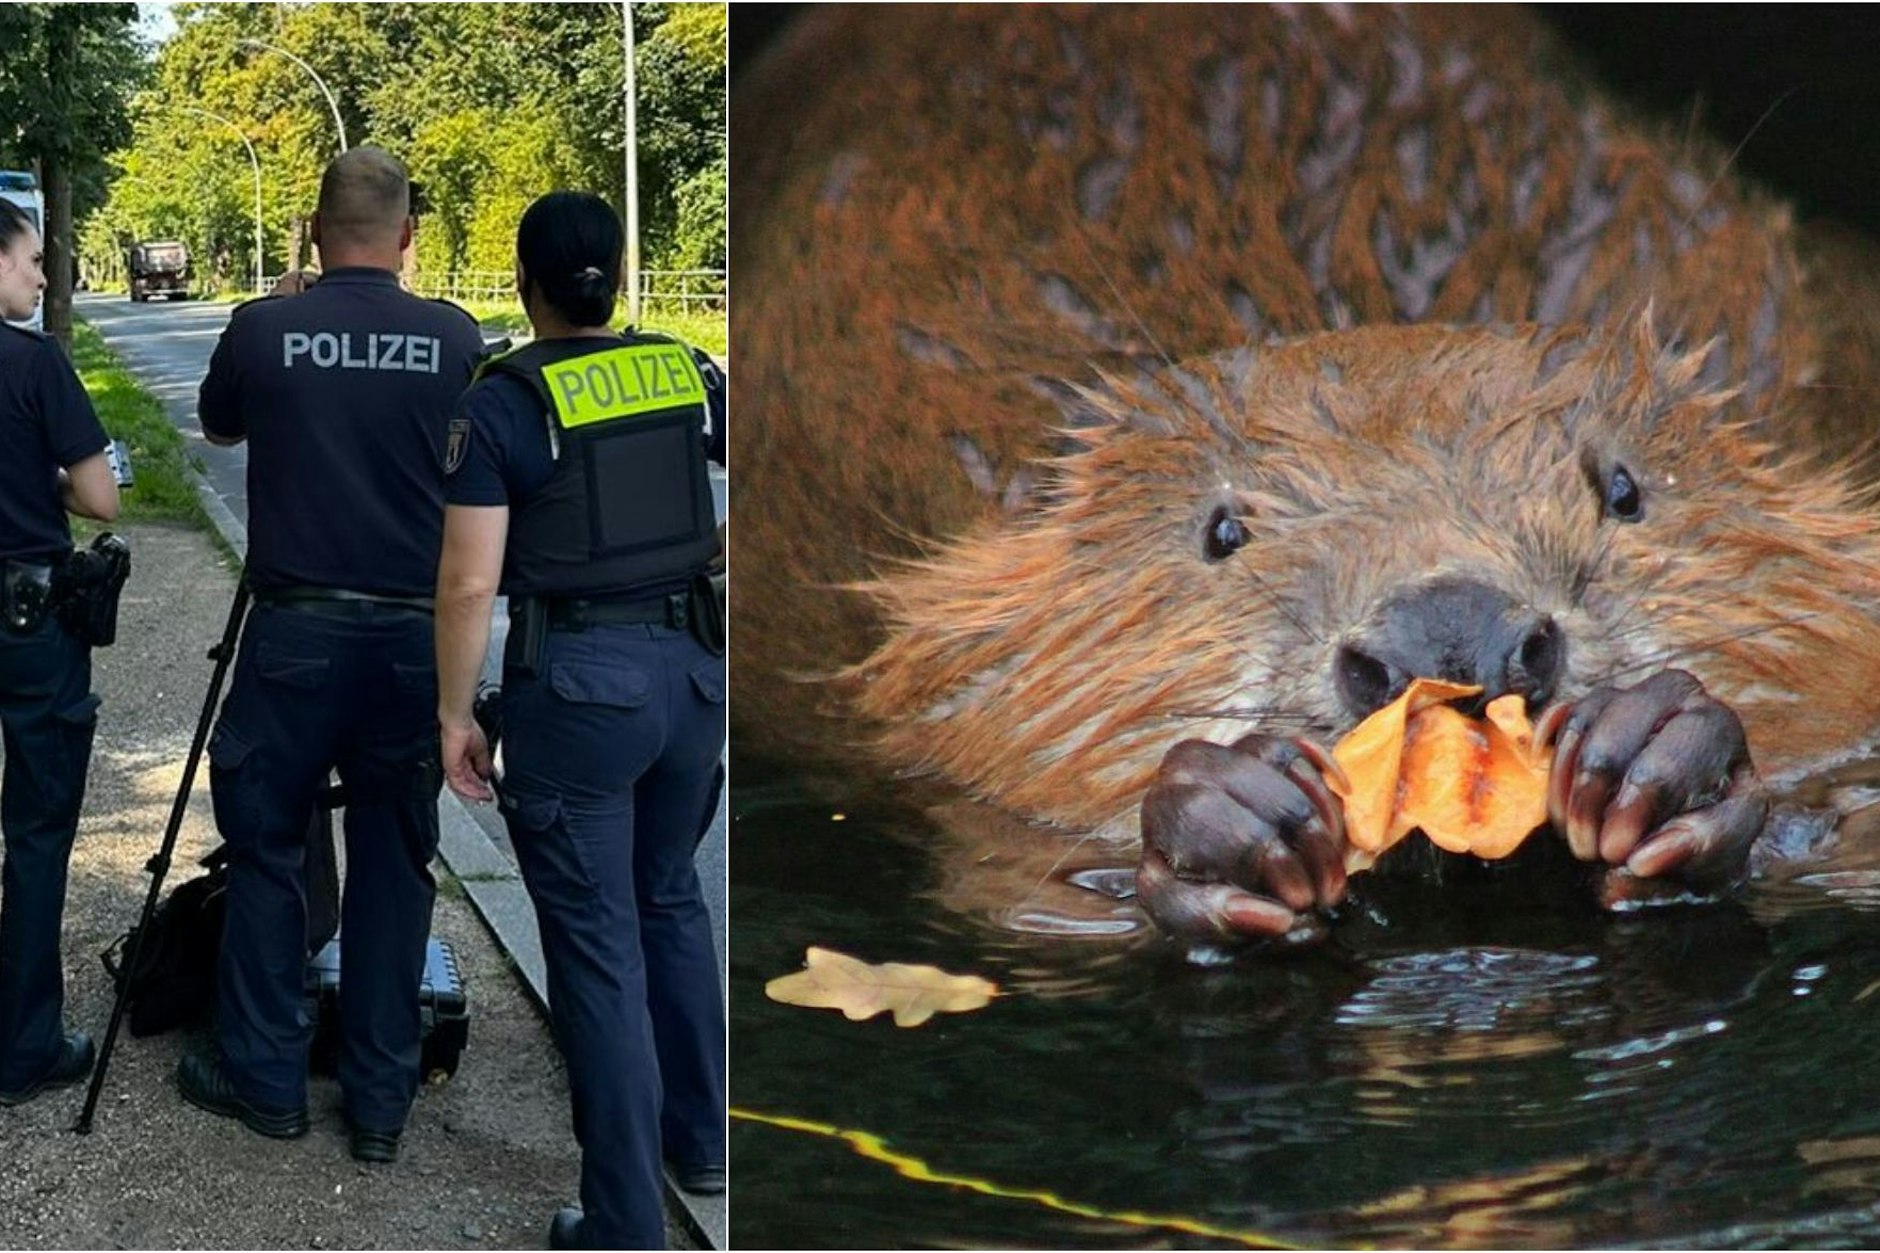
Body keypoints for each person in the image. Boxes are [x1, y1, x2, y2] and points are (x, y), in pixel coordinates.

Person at [180, 147, 485, 1163]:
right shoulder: (454, 337)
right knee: (398, 862)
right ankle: (380, 1104)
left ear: (313, 235)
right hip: (409, 640)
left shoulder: (265, 328)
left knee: (268, 845)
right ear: (407, 237)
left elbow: (219, 426)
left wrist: (283, 310)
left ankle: (267, 1083)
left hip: (294, 635)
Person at [435, 191, 726, 1250]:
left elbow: (469, 586)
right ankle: (702, 1141)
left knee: (598, 947)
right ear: (618, 269)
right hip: (694, 675)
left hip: (579, 689)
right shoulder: (687, 370)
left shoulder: (506, 400)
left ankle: (620, 1222)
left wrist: (453, 714)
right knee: (671, 901)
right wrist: (706, 561)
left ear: (525, 284)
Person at [0, 199, 120, 1104]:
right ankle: (25, 1044)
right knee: (37, 830)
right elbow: (101, 497)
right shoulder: (35, 364)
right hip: (26, 619)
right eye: (33, 260)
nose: (44, 278)